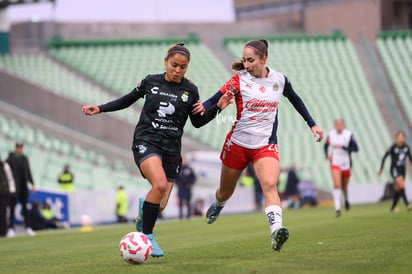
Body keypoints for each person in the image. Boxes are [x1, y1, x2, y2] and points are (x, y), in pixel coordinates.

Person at [81, 43, 233, 257]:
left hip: (172, 149)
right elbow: (127, 100)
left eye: (183, 67)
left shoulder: (190, 90)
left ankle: (146, 211)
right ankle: (147, 236)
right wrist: (101, 108)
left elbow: (197, 122)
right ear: (165, 62)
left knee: (159, 205)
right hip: (147, 141)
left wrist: (218, 107)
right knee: (159, 184)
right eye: (174, 65)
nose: (177, 70)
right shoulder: (150, 81)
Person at [194, 39, 324, 252]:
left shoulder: (280, 80)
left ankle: (276, 232)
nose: (246, 65)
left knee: (270, 185)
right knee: (225, 192)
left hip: (265, 146)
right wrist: (203, 107)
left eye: (251, 60)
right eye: (244, 60)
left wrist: (313, 125)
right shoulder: (239, 80)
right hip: (237, 144)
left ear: (264, 59)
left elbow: (296, 100)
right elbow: (213, 100)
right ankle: (218, 205)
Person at [324, 119, 359, 217]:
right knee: (336, 184)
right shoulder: (331, 135)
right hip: (335, 162)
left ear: (343, 125)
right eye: (337, 124)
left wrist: (346, 148)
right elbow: (326, 146)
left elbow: (356, 148)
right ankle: (338, 209)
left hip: (346, 163)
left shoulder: (349, 135)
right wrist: (327, 155)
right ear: (335, 126)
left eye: (341, 124)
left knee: (344, 186)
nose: (339, 126)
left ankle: (346, 199)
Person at [6, 141, 36, 236]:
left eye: (21, 148)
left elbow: (28, 171)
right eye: (18, 147)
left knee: (25, 208)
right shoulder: (10, 159)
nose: (19, 149)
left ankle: (28, 227)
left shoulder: (24, 158)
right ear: (15, 148)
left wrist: (32, 183)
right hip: (14, 187)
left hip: (23, 187)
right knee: (12, 208)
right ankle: (11, 228)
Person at [378, 131, 412, 212]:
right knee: (402, 186)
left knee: (398, 188)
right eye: (399, 137)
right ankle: (407, 204)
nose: (401, 138)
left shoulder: (406, 147)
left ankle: (393, 207)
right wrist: (381, 168)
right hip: (394, 169)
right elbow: (384, 157)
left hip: (402, 169)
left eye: (402, 137)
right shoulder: (393, 147)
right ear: (396, 138)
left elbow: (410, 159)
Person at [0, 156, 16, 237]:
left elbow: (10, 178)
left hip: (4, 193)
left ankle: (3, 232)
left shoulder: (5, 165)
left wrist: (12, 190)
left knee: (3, 211)